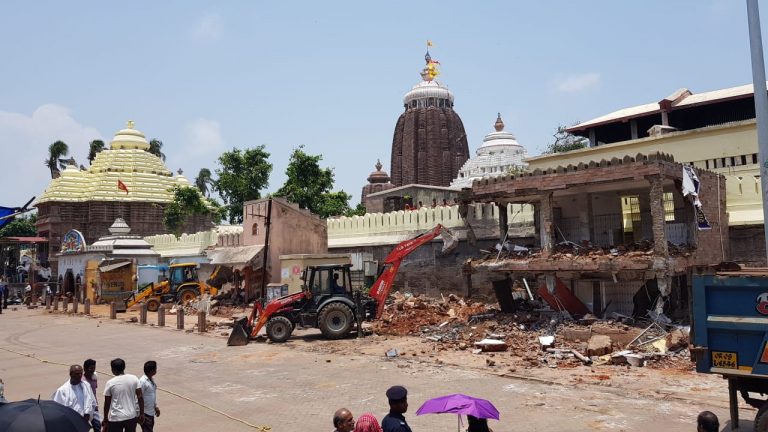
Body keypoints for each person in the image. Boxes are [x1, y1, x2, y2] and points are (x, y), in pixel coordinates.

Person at [102, 358, 144, 432]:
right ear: (124, 367)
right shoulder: (134, 378)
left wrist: (105, 418)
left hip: (116, 417)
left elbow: (107, 403)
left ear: (113, 369)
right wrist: (142, 413)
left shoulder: (110, 383)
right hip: (131, 416)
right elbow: (140, 397)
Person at [138, 361, 160, 432]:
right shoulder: (142, 382)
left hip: (150, 412)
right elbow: (138, 397)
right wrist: (140, 413)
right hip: (145, 413)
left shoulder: (151, 380)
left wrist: (155, 407)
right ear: (152, 370)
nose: (156, 370)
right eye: (155, 369)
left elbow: (152, 395)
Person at [83, 359, 102, 432]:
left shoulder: (94, 377)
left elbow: (94, 391)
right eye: (90, 368)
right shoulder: (82, 380)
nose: (92, 370)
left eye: (94, 368)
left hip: (94, 406)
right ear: (85, 368)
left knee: (97, 426)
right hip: (84, 407)